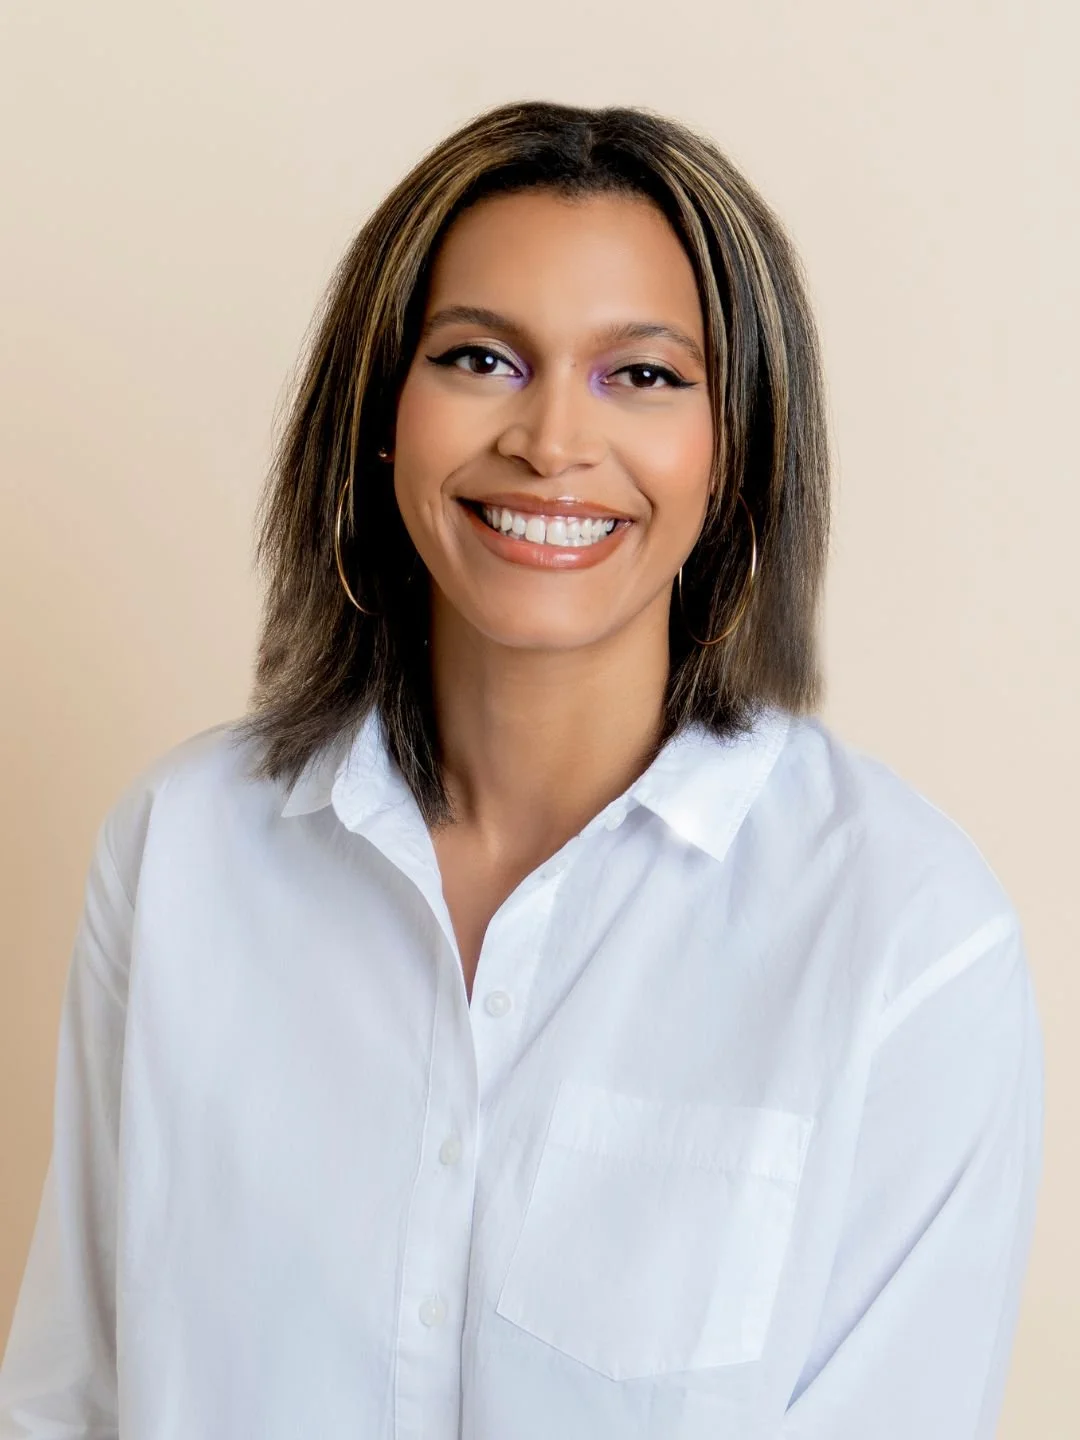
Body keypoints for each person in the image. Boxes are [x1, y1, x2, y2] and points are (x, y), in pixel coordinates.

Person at [0, 100, 1043, 1440]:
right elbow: (72, 1398)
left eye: (645, 376)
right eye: (481, 358)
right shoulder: (178, 852)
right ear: (382, 418)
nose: (551, 441)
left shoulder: (908, 936)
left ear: (737, 454)